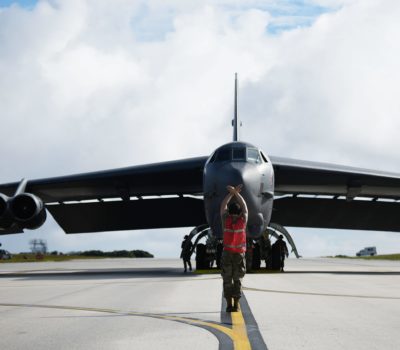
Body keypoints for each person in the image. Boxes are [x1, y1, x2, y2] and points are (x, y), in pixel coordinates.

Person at [220, 184, 248, 312]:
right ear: (239, 212)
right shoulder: (243, 219)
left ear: (229, 211)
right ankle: (236, 305)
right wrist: (237, 193)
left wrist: (231, 194)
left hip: (227, 253)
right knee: (237, 280)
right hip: (239, 255)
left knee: (227, 280)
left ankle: (228, 305)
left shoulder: (226, 220)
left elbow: (222, 206)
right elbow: (245, 207)